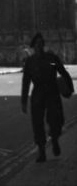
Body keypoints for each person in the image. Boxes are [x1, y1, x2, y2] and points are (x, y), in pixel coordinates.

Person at [21, 33, 74, 162]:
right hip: (38, 93)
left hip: (52, 92)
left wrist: (70, 88)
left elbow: (63, 72)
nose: (39, 46)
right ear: (33, 47)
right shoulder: (30, 62)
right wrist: (23, 101)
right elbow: (26, 81)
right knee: (37, 124)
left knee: (56, 120)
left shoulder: (52, 58)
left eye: (41, 43)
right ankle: (42, 151)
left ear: (43, 45)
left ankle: (54, 139)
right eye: (36, 44)